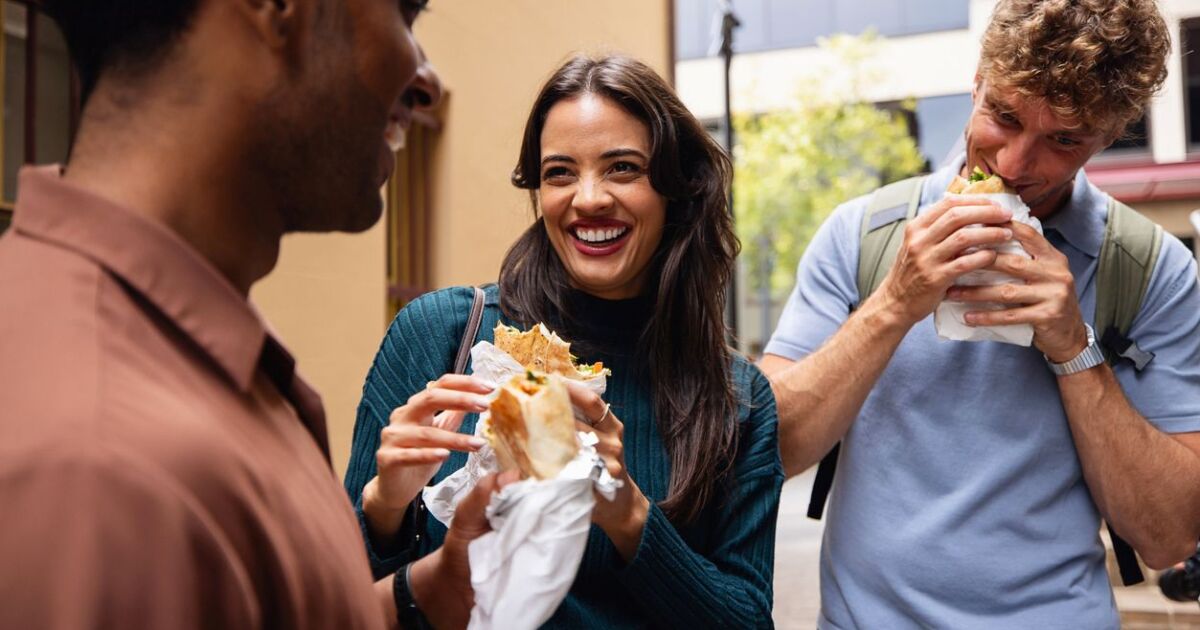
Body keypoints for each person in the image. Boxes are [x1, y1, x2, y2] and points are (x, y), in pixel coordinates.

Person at [0, 1, 499, 628]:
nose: (424, 79)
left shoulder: (176, 351)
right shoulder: (99, 472)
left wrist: (424, 592)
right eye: (402, 11)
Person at [760, 0, 1200, 628]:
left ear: (1106, 138)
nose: (1014, 165)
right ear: (977, 83)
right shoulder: (862, 235)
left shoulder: (1152, 269)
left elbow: (1169, 538)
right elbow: (774, 449)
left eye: (1064, 139)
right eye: (1004, 115)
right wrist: (893, 302)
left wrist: (1074, 347)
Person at [345, 54, 783, 628]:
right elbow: (338, 595)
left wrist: (628, 514)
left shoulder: (736, 398)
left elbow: (748, 620)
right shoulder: (443, 334)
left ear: (678, 187)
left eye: (622, 167)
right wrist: (385, 507)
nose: (589, 199)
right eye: (560, 173)